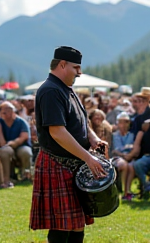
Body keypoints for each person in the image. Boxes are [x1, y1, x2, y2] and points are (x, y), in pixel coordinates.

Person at [29, 46, 108, 243]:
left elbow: (81, 121)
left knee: (76, 223)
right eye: (76, 67)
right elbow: (57, 132)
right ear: (62, 65)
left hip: (73, 163)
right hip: (57, 163)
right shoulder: (50, 91)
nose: (79, 73)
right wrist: (88, 157)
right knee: (61, 224)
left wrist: (93, 138)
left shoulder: (67, 90)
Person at [0, 101, 33, 187]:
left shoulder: (21, 122)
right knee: (5, 152)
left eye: (9, 109)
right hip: (5, 146)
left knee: (26, 152)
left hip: (20, 145)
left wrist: (14, 143)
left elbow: (24, 136)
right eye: (3, 110)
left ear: (13, 110)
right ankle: (6, 180)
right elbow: (1, 142)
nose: (6, 112)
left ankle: (25, 175)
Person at [111, 111, 135, 200]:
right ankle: (123, 190)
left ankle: (127, 191)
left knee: (131, 166)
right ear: (118, 123)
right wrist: (125, 155)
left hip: (129, 156)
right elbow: (116, 150)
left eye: (126, 122)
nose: (123, 124)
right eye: (121, 122)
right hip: (118, 157)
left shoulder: (132, 135)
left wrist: (130, 155)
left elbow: (133, 148)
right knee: (124, 165)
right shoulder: (114, 135)